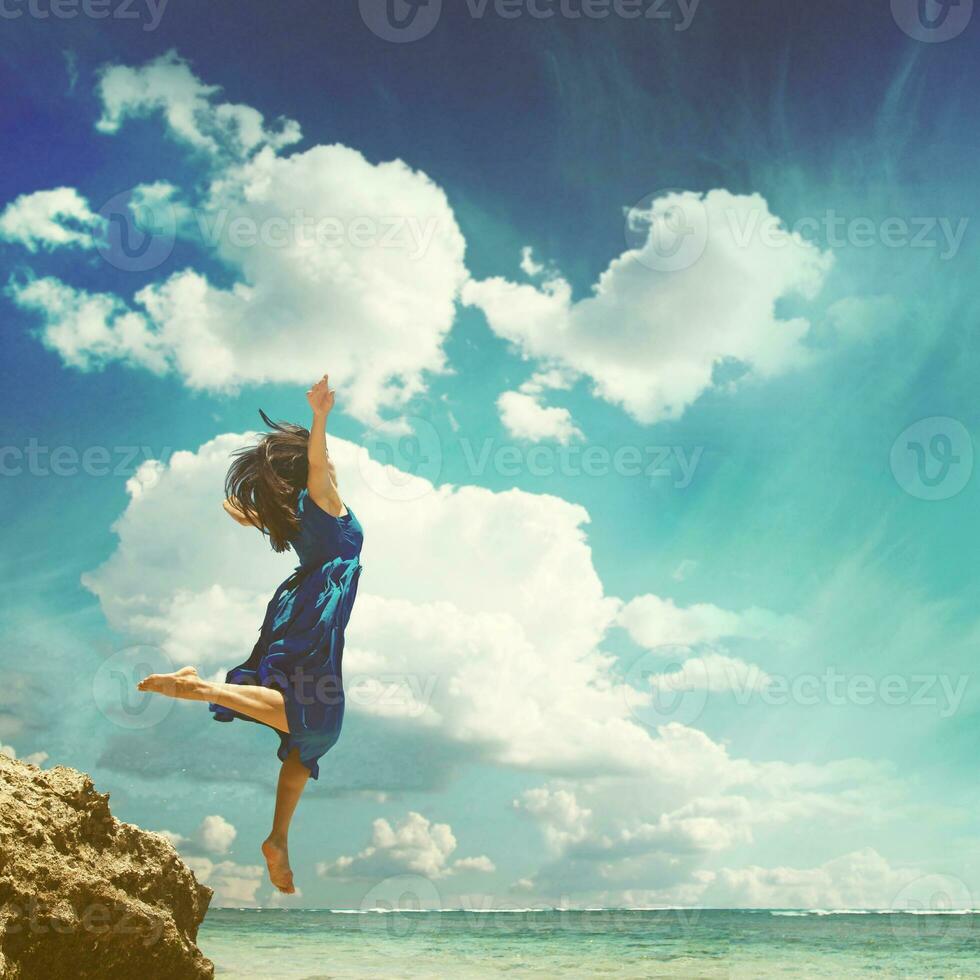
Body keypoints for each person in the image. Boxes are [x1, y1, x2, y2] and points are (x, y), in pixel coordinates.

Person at [138, 374, 363, 893]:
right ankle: (200, 689)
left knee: (304, 736)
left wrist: (258, 511)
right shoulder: (323, 498)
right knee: (316, 718)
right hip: (314, 612)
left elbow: (258, 510)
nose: (329, 462)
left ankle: (278, 838)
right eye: (322, 458)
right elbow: (315, 464)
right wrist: (320, 418)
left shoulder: (305, 510)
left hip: (305, 606)